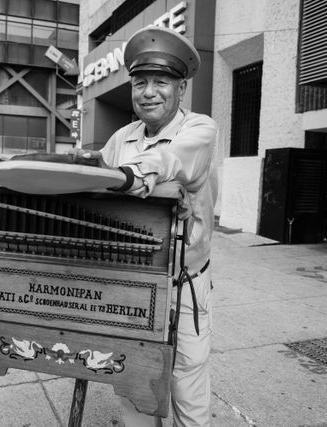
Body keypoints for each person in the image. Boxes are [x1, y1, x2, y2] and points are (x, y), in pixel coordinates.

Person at [74, 26, 217, 427]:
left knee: (187, 383)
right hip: (132, 280)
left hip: (184, 282)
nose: (148, 92)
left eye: (160, 82)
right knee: (134, 376)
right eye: (140, 83)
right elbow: (96, 180)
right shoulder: (122, 137)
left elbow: (174, 160)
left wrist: (136, 179)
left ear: (181, 89)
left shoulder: (200, 129)